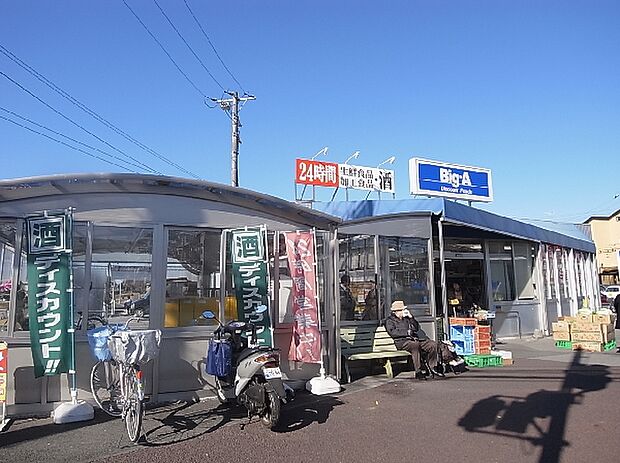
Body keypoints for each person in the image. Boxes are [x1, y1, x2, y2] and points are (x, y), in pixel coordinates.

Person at [384, 300, 444, 379]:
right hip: (402, 341)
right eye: (402, 310)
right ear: (396, 311)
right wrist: (407, 332)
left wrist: (411, 318)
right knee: (415, 345)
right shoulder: (389, 321)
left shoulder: (407, 318)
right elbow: (392, 332)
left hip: (414, 339)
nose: (404, 311)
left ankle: (433, 367)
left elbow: (416, 328)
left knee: (432, 344)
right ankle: (418, 371)